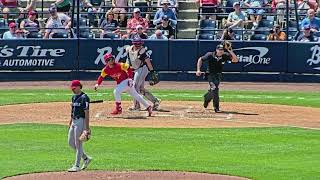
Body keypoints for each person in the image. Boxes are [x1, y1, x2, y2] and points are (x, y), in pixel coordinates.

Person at [196, 43, 238, 112]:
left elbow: (235, 60)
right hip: (210, 74)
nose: (221, 51)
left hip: (218, 75)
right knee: (215, 89)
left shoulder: (224, 56)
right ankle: (216, 107)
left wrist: (230, 51)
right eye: (219, 49)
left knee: (213, 91)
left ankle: (206, 98)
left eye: (222, 50)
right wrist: (198, 70)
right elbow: (200, 59)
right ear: (216, 50)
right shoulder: (210, 55)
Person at [125, 37, 161, 111]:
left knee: (134, 87)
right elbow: (128, 59)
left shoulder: (142, 51)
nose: (138, 45)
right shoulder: (129, 49)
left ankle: (136, 106)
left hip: (142, 69)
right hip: (136, 69)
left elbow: (148, 62)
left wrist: (152, 71)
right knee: (141, 89)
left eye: (139, 44)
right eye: (136, 44)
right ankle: (155, 101)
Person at [68, 80, 92, 172]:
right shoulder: (73, 97)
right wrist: (70, 122)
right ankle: (86, 158)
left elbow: (87, 113)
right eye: (72, 89)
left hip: (81, 121)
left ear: (79, 86)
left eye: (74, 88)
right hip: (74, 121)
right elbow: (73, 110)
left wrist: (86, 128)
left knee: (78, 144)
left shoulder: (84, 97)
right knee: (70, 143)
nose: (73, 90)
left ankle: (77, 165)